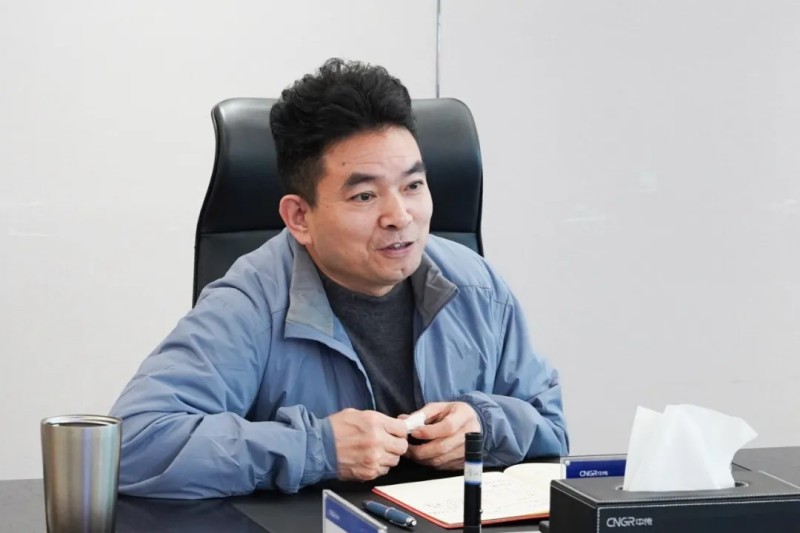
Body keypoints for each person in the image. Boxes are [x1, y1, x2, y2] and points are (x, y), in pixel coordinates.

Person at [110, 58, 568, 499]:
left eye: (413, 185)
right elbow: (132, 445)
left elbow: (551, 426)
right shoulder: (249, 305)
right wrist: (316, 449)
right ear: (299, 217)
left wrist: (486, 426)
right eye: (365, 195)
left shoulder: (477, 288)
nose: (400, 216)